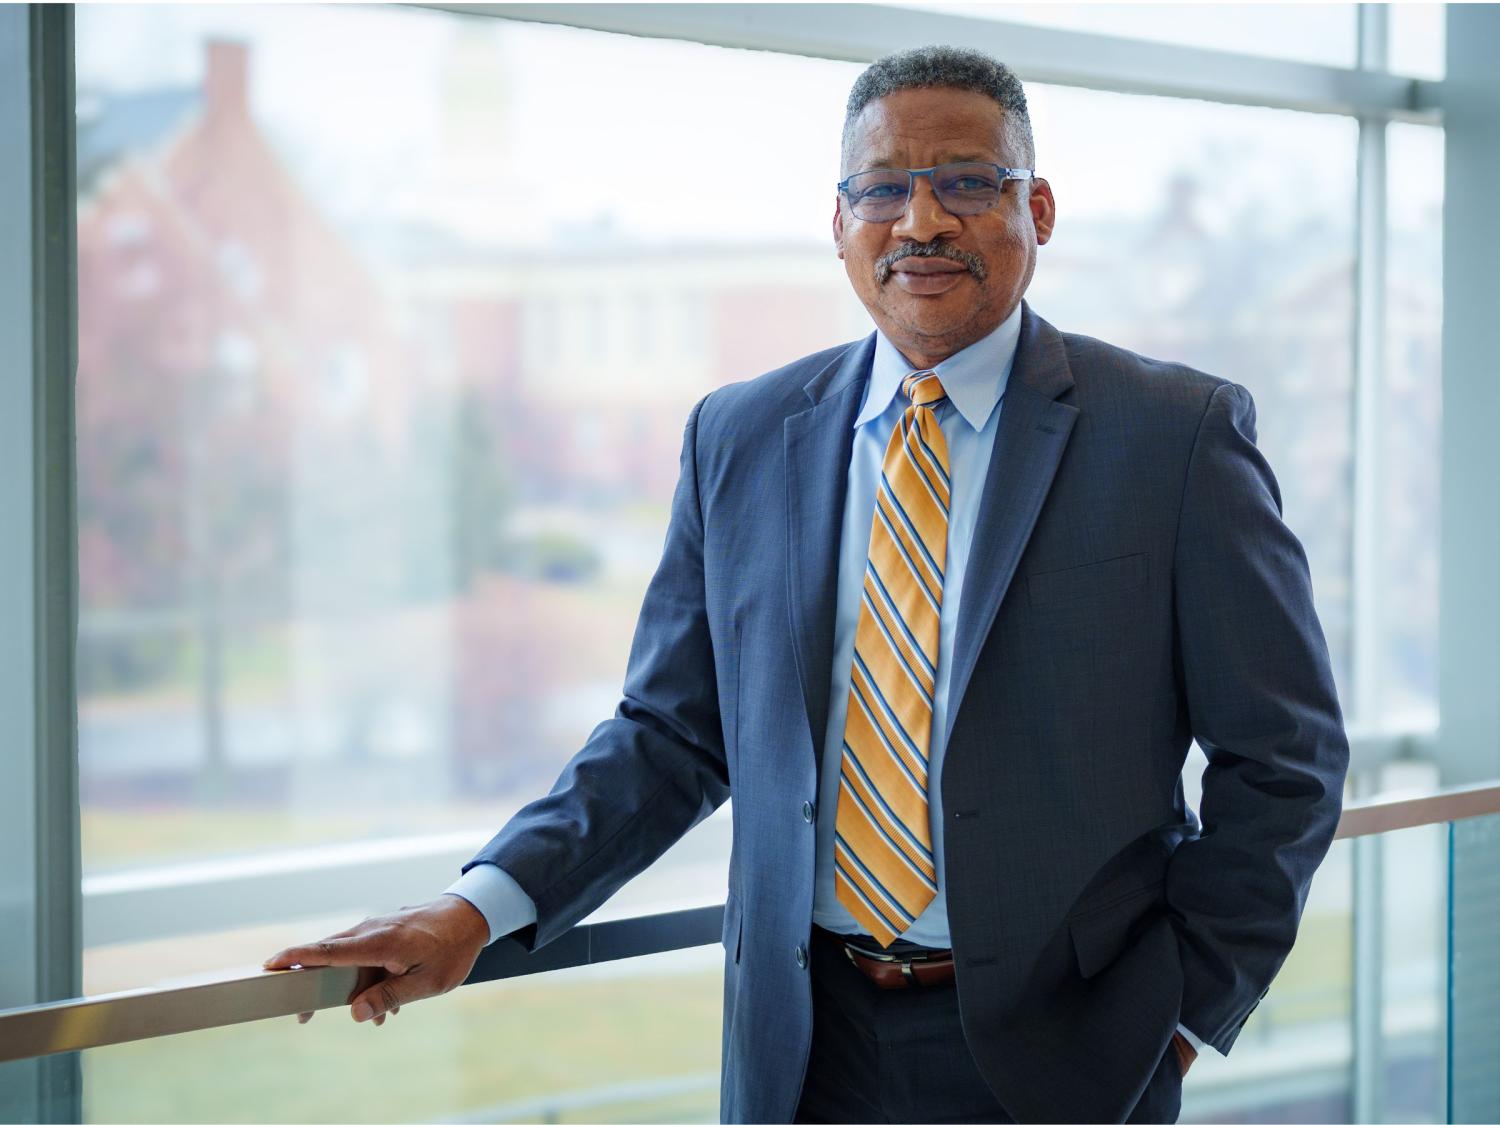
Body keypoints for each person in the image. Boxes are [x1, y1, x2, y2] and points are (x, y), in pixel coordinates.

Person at [264, 45, 1350, 1124]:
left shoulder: (1174, 437)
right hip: (802, 1049)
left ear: (1040, 211)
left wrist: (1179, 1018)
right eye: (883, 187)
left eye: (969, 182)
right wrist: (477, 908)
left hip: (1071, 1054)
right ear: (840, 226)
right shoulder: (738, 437)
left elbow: (1285, 757)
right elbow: (669, 736)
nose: (921, 218)